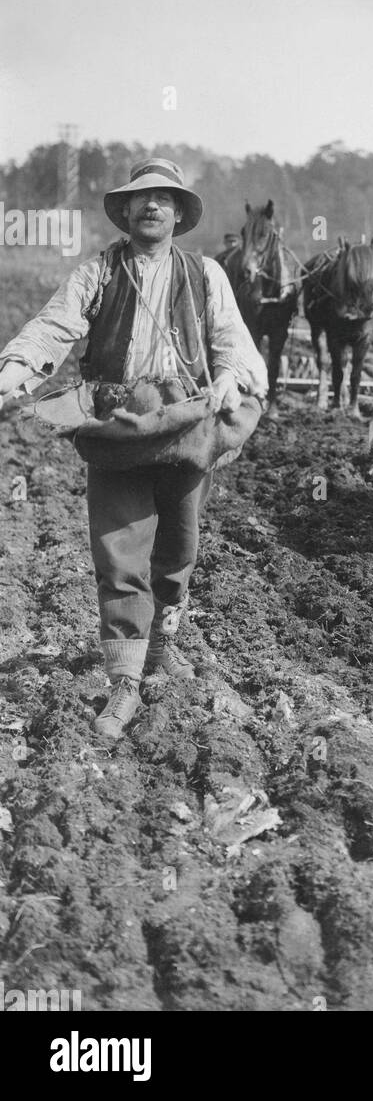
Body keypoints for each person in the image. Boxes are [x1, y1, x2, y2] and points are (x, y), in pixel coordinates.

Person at [0, 158, 268, 741]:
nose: (152, 206)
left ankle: (165, 642)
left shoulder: (205, 275)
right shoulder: (97, 271)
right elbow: (53, 328)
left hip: (187, 423)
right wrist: (16, 369)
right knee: (120, 550)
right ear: (124, 211)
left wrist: (228, 380)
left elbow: (231, 341)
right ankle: (123, 680)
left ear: (178, 214)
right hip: (119, 425)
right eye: (141, 199)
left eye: (164, 199)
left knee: (179, 541)